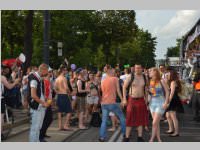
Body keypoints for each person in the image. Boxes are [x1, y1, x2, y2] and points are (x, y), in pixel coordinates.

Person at [99, 65, 126, 142]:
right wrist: (122, 99)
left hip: (104, 103)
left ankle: (102, 137)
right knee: (122, 118)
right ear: (110, 71)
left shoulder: (103, 81)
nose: (114, 71)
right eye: (113, 70)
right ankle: (124, 134)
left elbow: (102, 92)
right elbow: (118, 90)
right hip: (112, 102)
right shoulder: (115, 79)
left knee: (104, 121)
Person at [122, 64, 149, 142]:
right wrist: (124, 99)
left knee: (140, 119)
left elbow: (146, 88)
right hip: (131, 100)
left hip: (141, 100)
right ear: (134, 68)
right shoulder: (130, 77)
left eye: (139, 68)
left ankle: (139, 137)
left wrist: (146, 99)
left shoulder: (145, 77)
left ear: (142, 68)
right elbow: (124, 87)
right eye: (136, 68)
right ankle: (127, 137)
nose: (138, 69)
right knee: (129, 118)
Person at [28, 63, 49, 142]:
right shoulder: (34, 79)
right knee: (35, 128)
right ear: (43, 70)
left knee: (38, 127)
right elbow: (33, 95)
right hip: (37, 106)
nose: (47, 73)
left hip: (39, 106)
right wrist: (43, 103)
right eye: (47, 71)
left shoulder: (38, 78)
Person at [148, 67, 169, 142]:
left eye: (150, 71)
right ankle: (159, 138)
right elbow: (150, 94)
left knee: (154, 122)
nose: (149, 72)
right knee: (156, 123)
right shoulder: (150, 81)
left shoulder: (161, 81)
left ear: (155, 72)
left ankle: (152, 139)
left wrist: (166, 102)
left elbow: (167, 92)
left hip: (160, 103)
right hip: (152, 103)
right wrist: (148, 103)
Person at [1, 65, 21, 140]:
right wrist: (15, 82)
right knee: (1, 118)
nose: (2, 70)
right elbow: (9, 86)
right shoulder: (2, 77)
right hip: (1, 99)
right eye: (2, 69)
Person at [165, 69, 184, 137]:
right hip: (173, 99)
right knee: (168, 115)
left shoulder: (173, 82)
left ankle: (176, 132)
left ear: (172, 75)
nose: (167, 75)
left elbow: (172, 93)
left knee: (173, 116)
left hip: (173, 99)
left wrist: (168, 101)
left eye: (169, 74)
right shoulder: (172, 81)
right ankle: (171, 129)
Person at [54, 65, 73, 131]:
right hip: (64, 95)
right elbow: (66, 88)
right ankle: (65, 125)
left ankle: (60, 126)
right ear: (63, 71)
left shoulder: (57, 78)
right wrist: (70, 93)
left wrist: (58, 92)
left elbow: (55, 88)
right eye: (65, 70)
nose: (66, 71)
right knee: (69, 111)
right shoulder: (63, 78)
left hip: (59, 95)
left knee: (59, 111)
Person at [39, 67, 54, 142]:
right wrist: (45, 101)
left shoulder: (49, 81)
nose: (51, 73)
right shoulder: (44, 81)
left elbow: (50, 92)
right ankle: (40, 136)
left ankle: (43, 133)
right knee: (46, 119)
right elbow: (44, 92)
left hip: (48, 102)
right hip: (45, 102)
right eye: (50, 72)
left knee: (49, 119)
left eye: (51, 72)